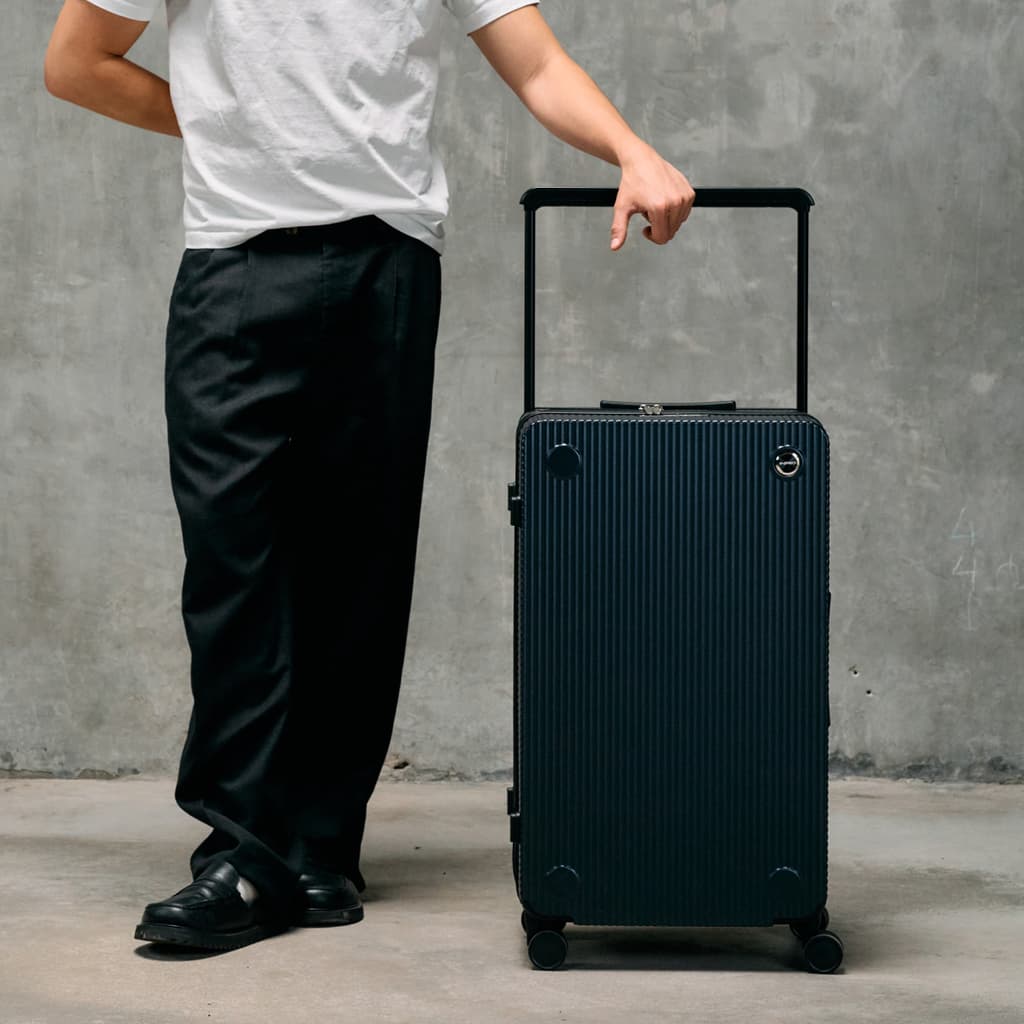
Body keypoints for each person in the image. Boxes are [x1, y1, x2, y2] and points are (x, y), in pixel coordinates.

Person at [43, 0, 696, 952]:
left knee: (359, 565)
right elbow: (77, 61)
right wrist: (238, 125)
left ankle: (317, 849)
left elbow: (539, 66)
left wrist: (631, 150)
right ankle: (242, 851)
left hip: (386, 262)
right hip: (235, 263)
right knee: (236, 564)